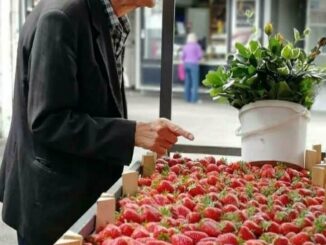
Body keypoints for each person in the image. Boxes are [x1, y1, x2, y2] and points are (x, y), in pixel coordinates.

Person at [0, 0, 194, 244]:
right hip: (53, 204)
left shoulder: (108, 17)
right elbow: (48, 121)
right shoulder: (62, 17)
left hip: (77, 192)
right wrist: (132, 133)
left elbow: (95, 102)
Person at [182, 33, 203, 103]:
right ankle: (194, 99)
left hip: (186, 64)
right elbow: (200, 56)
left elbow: (182, 56)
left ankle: (187, 98)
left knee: (187, 82)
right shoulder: (197, 46)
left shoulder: (185, 46)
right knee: (194, 83)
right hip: (194, 64)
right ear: (195, 39)